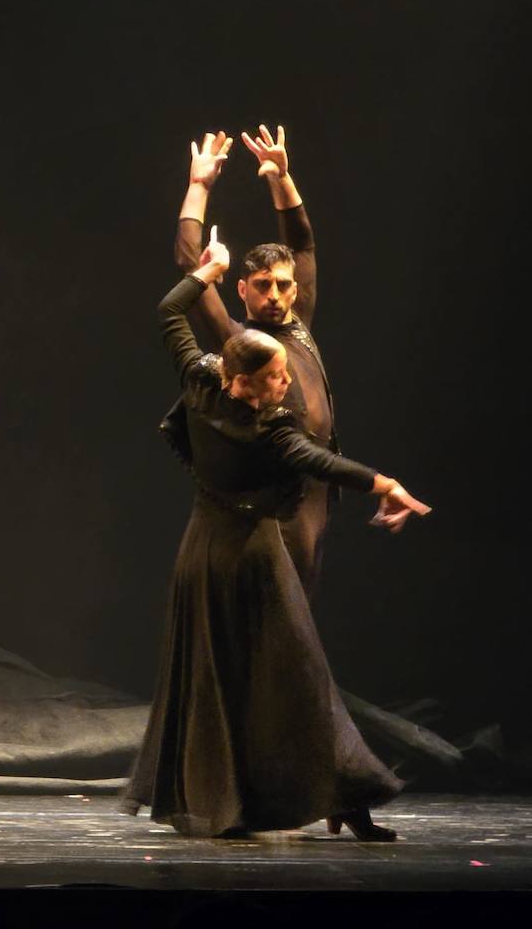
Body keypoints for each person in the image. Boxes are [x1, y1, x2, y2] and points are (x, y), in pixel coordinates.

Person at [123, 235, 431, 841]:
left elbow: (168, 314)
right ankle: (326, 794)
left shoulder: (199, 379)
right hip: (254, 558)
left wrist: (205, 270)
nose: (287, 383)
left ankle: (237, 797)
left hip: (200, 554)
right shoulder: (272, 431)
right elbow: (321, 461)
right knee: (295, 676)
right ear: (247, 384)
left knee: (224, 675)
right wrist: (384, 482)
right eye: (278, 376)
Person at [172, 127, 336, 595]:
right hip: (270, 504)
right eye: (262, 285)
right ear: (241, 289)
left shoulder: (297, 324)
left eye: (283, 285)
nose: (275, 295)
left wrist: (281, 178)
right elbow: (188, 267)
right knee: (272, 617)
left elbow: (302, 245)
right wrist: (198, 188)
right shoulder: (238, 341)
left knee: (298, 612)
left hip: (312, 499)